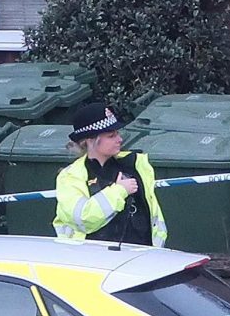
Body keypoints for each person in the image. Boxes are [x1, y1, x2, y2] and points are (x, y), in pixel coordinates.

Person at [53, 102, 167, 247]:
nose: (119, 139)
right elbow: (83, 219)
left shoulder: (135, 164)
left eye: (117, 133)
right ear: (90, 141)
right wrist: (120, 190)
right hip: (95, 262)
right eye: (111, 135)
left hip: (142, 257)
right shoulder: (70, 177)